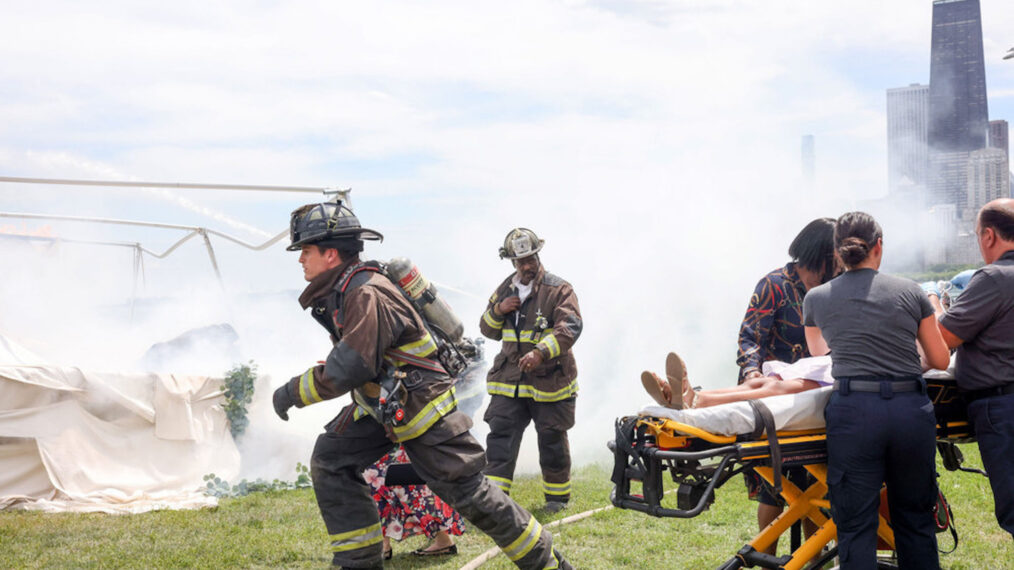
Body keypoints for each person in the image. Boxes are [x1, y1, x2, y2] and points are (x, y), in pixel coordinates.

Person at [271, 201, 571, 570]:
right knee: (332, 459)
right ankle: (358, 562)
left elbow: (350, 366)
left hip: (420, 407)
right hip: (385, 404)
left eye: (305, 250)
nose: (300, 259)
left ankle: (546, 561)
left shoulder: (365, 292)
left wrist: (290, 392)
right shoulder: (348, 288)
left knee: (467, 490)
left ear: (330, 253)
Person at [803, 211, 950, 569]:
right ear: (879, 247)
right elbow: (941, 359)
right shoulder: (911, 291)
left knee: (855, 525)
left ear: (837, 252)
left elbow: (818, 353)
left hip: (854, 412)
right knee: (915, 520)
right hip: (908, 411)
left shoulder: (816, 298)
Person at [735, 217, 838, 548]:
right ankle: (768, 559)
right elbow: (750, 338)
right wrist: (753, 376)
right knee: (775, 489)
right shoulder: (774, 285)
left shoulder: (833, 289)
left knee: (816, 487)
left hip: (818, 401)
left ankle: (814, 560)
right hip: (776, 398)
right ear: (822, 253)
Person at [479, 228, 582, 514]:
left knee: (551, 438)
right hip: (510, 381)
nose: (527, 265)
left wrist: (541, 352)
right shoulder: (504, 290)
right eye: (520, 260)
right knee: (500, 437)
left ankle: (556, 500)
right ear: (512, 262)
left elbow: (570, 327)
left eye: (530, 258)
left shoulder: (559, 289)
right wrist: (498, 310)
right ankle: (495, 501)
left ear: (538, 255)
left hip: (549, 380)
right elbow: (487, 330)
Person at [935, 198, 1014, 538]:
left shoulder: (994, 278)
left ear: (988, 236)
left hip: (1003, 405)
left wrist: (933, 302)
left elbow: (944, 337)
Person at [364, 446, 462, 560]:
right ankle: (382, 545)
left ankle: (443, 540)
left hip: (391, 437)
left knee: (408, 487)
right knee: (377, 483)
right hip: (379, 439)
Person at [641, 352, 832, 410]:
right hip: (832, 365)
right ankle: (690, 396)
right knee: (759, 384)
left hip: (833, 369)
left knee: (777, 387)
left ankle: (695, 399)